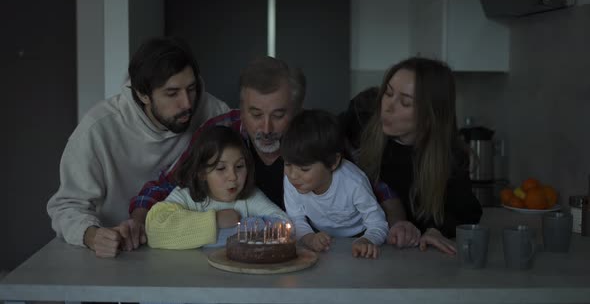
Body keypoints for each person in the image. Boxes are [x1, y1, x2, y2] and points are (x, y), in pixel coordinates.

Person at [46, 36, 229, 258]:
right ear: (143, 94)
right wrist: (93, 236)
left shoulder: (214, 113)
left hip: (194, 250)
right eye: (172, 93)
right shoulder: (98, 130)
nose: (187, 104)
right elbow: (66, 207)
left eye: (191, 88)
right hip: (121, 255)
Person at [129, 56, 306, 219]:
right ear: (242, 109)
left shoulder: (312, 134)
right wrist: (139, 221)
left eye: (278, 115)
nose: (266, 128)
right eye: (256, 114)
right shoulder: (220, 130)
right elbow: (168, 183)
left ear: (296, 112)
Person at [353, 57, 482, 255]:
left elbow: (467, 211)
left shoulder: (451, 158)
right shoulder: (359, 119)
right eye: (387, 93)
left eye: (405, 102)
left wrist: (436, 230)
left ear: (430, 116)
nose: (388, 107)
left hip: (416, 260)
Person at [145, 126, 288, 249]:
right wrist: (215, 220)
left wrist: (242, 226)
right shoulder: (186, 196)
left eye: (239, 166)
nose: (233, 176)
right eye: (220, 168)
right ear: (202, 173)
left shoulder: (250, 197)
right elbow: (154, 229)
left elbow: (284, 224)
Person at [282, 109, 388, 259]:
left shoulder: (353, 182)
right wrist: (310, 238)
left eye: (304, 169)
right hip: (319, 237)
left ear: (333, 162)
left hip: (358, 237)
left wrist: (367, 240)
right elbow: (296, 218)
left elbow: (378, 223)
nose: (292, 175)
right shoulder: (292, 179)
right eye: (287, 164)